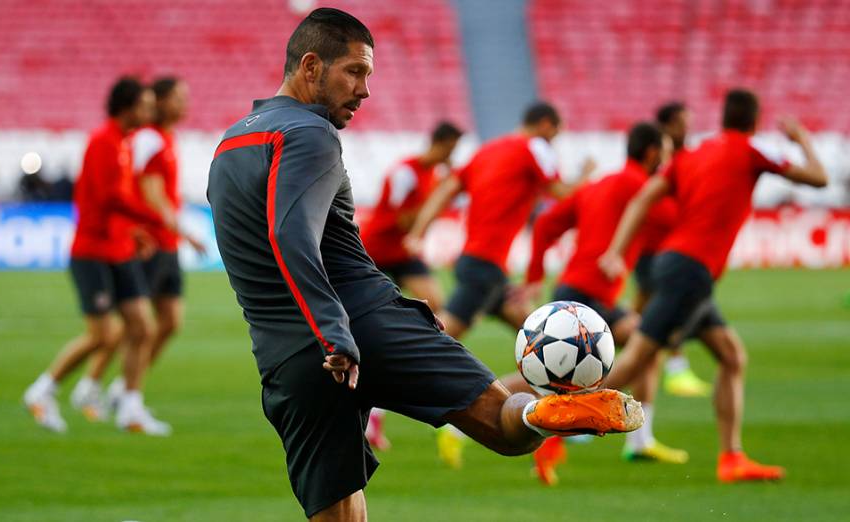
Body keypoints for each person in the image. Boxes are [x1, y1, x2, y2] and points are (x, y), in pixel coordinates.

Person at [207, 8, 643, 520]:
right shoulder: (311, 133)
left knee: (338, 514)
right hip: (358, 325)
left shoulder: (227, 147)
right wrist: (335, 331)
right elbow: (290, 234)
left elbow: (260, 245)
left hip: (287, 357)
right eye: (355, 71)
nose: (365, 89)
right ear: (309, 66)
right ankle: (559, 406)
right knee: (504, 426)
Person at [599, 88, 827, 483]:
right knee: (637, 358)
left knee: (731, 356)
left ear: (722, 117)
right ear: (754, 120)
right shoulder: (751, 150)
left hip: (684, 269)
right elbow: (819, 179)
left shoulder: (692, 156)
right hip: (690, 271)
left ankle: (731, 458)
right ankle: (558, 413)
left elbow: (642, 200)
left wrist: (616, 250)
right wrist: (802, 139)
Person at [404, 102, 592, 467]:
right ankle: (385, 405)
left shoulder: (487, 150)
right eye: (556, 132)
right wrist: (586, 175)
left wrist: (418, 230)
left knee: (538, 338)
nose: (555, 140)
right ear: (544, 125)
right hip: (485, 267)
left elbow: (445, 190)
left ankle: (566, 414)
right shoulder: (534, 146)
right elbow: (564, 194)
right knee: (435, 339)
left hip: (479, 265)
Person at [523, 123, 688, 485]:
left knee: (642, 348)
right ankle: (580, 418)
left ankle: (636, 440)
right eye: (665, 150)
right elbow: (678, 222)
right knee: (639, 348)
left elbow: (546, 223)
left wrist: (534, 275)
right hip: (589, 298)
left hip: (575, 290)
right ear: (651, 153)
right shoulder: (641, 188)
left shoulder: (599, 185)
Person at [23, 77, 177, 435]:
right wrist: (154, 219)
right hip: (92, 251)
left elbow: (113, 204)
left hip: (117, 247)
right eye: (145, 105)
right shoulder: (103, 141)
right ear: (128, 107)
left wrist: (134, 232)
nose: (150, 111)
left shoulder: (123, 143)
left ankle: (131, 408)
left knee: (142, 326)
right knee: (103, 335)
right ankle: (43, 389)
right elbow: (110, 198)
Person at [69, 76, 206, 424]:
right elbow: (142, 189)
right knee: (135, 324)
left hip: (166, 242)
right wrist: (164, 226)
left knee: (168, 322)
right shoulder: (144, 139)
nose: (185, 104)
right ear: (158, 102)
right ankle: (96, 384)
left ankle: (121, 389)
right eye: (178, 97)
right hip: (150, 242)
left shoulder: (164, 138)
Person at [359, 120, 463, 450]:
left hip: (403, 252)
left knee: (437, 307)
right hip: (376, 251)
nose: (453, 154)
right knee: (368, 322)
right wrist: (437, 199)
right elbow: (402, 219)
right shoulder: (405, 172)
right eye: (452, 148)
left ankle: (398, 377)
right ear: (443, 143)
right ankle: (374, 396)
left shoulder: (431, 176)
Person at [644, 102, 712, 398]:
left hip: (670, 248)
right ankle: (675, 369)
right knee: (655, 319)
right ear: (670, 125)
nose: (690, 126)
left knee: (647, 318)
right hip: (655, 247)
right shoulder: (659, 155)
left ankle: (674, 368)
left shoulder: (685, 157)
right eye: (685, 121)